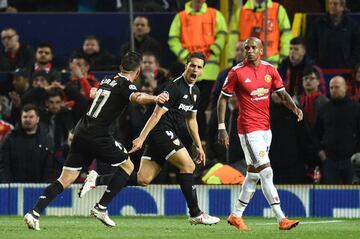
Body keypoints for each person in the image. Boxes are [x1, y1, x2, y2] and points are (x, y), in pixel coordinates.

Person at [23, 52, 169, 231]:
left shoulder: (107, 80)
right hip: (97, 135)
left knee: (66, 178)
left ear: (120, 67)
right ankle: (101, 207)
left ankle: (34, 212)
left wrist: (95, 92)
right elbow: (137, 97)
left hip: (81, 132)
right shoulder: (125, 84)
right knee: (128, 166)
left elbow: (96, 94)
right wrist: (155, 98)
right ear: (137, 71)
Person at [79, 52, 220, 225]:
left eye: (199, 67)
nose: (195, 69)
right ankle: (196, 214)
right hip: (161, 131)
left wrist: (199, 146)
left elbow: (191, 120)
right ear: (186, 66)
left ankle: (97, 180)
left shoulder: (196, 92)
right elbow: (155, 114)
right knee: (188, 165)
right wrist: (141, 137)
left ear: (203, 70)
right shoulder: (174, 87)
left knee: (143, 179)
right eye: (192, 65)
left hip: (165, 135)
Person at [217, 37, 301, 230]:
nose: (249, 50)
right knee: (267, 171)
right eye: (246, 48)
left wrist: (294, 108)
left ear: (261, 50)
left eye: (253, 47)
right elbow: (223, 99)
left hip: (265, 130)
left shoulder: (270, 70)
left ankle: (235, 215)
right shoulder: (236, 72)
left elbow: (281, 93)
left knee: (253, 175)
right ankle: (281, 218)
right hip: (248, 130)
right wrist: (221, 126)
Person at [168, 0, 228, 139]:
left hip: (209, 72)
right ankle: (191, 139)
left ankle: (203, 140)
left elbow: (223, 34)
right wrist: (185, 56)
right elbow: (173, 39)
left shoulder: (214, 14)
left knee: (200, 109)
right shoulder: (181, 16)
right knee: (187, 109)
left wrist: (214, 50)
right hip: (188, 72)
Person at [314, 76, 360, 184]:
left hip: (351, 161)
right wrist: (320, 152)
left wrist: (357, 153)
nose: (333, 90)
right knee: (329, 196)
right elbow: (316, 133)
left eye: (337, 87)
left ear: (345, 88)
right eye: (331, 88)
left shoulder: (356, 108)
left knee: (352, 194)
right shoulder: (324, 109)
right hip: (329, 160)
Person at [227, 0, 291, 67]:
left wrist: (283, 62)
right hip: (247, 65)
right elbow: (232, 40)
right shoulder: (241, 12)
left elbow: (286, 37)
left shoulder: (278, 10)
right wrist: (231, 63)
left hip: (271, 65)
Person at [0, 104, 54, 183]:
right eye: (25, 117)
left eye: (31, 117)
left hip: (39, 187)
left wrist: (45, 186)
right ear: (21, 118)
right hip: (13, 187)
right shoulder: (10, 139)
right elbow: (4, 165)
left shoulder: (46, 140)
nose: (28, 119)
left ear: (37, 119)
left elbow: (49, 168)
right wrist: (7, 185)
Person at [307, 0, 360, 68]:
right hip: (323, 69)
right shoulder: (318, 24)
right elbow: (311, 45)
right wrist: (316, 62)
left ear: (342, 7)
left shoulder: (352, 25)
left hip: (345, 69)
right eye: (330, 3)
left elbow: (357, 46)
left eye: (335, 4)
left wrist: (350, 63)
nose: (332, 6)